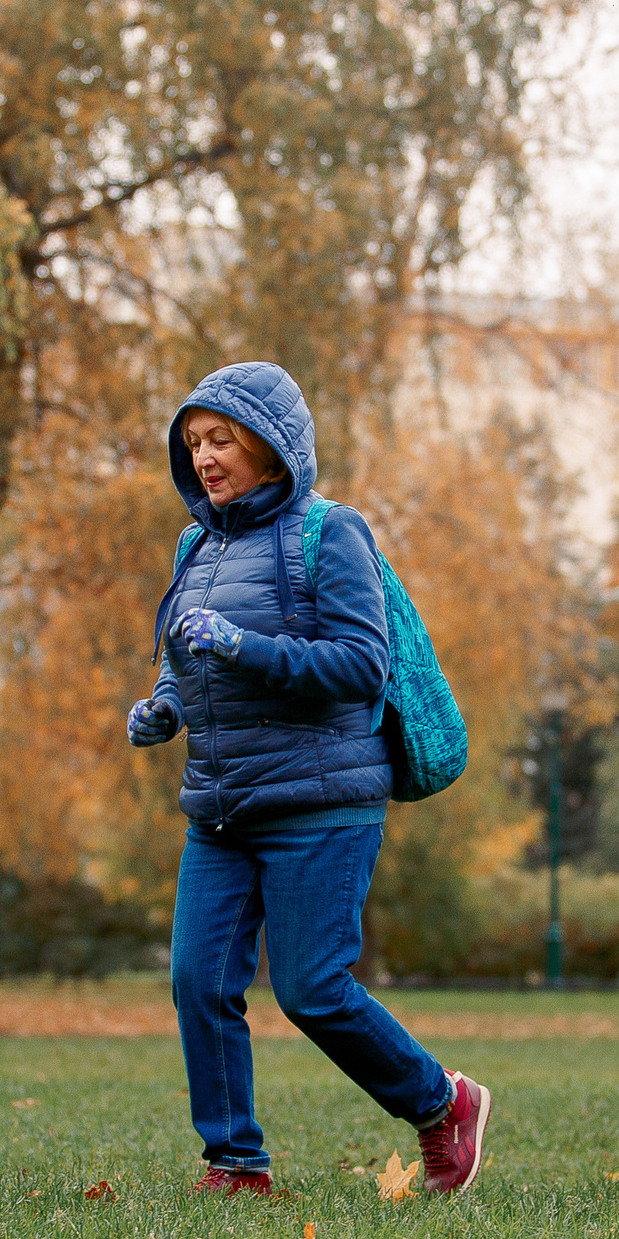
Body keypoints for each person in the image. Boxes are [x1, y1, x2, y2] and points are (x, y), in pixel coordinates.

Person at [128, 361, 493, 1196]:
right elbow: (192, 658)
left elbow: (363, 665)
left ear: (270, 442)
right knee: (197, 980)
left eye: (221, 438)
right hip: (221, 802)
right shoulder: (196, 544)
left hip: (325, 802)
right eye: (194, 443)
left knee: (312, 988)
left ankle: (443, 1104)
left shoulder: (333, 533)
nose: (206, 457)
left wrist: (240, 645)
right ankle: (234, 1163)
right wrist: (164, 706)